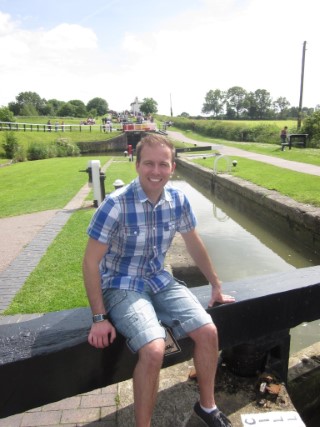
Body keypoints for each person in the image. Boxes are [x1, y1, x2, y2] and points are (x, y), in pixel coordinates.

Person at [83, 134, 235, 427]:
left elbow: (193, 243)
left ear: (173, 167)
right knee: (153, 349)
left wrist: (215, 285)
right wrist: (99, 317)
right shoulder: (115, 205)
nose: (156, 171)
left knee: (208, 331)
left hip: (158, 279)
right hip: (121, 284)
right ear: (137, 165)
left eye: (163, 164)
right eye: (149, 163)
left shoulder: (177, 200)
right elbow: (90, 262)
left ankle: (207, 407)